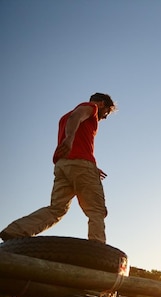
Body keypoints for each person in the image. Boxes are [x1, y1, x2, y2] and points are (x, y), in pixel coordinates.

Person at [0, 93, 116, 243]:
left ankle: (16, 231)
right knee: (96, 210)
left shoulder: (65, 117)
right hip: (81, 165)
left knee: (57, 209)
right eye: (107, 111)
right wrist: (69, 140)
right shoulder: (90, 107)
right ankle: (98, 250)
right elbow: (76, 117)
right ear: (101, 103)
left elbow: (78, 137)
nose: (105, 117)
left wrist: (92, 166)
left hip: (64, 165)